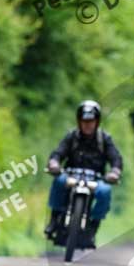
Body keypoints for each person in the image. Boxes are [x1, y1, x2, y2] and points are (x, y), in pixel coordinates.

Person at [44, 99, 123, 247]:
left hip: (96, 179)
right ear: (79, 121)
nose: (88, 124)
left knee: (105, 191)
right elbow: (58, 153)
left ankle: (94, 226)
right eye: (84, 121)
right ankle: (54, 220)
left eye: (91, 121)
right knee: (59, 181)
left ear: (97, 121)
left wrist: (114, 172)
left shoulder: (104, 139)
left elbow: (116, 158)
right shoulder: (71, 137)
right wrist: (54, 163)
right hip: (71, 175)